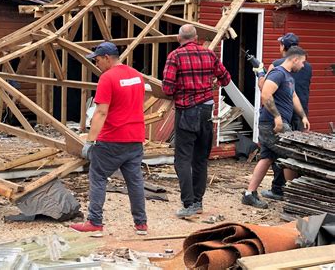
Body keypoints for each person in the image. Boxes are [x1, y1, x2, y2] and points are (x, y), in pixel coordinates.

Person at [70, 42, 148, 236]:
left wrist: (90, 141)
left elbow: (101, 112)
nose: (96, 65)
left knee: (98, 177)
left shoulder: (107, 78)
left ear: (107, 58)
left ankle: (95, 221)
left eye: (97, 60)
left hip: (112, 139)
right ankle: (141, 224)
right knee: (135, 181)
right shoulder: (137, 76)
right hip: (135, 138)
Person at [162, 24, 231, 218]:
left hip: (187, 111)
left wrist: (180, 89)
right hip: (207, 110)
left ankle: (189, 203)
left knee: (182, 159)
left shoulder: (175, 56)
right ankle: (198, 201)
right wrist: (212, 82)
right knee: (200, 158)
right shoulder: (209, 55)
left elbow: (167, 88)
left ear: (179, 38)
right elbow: (226, 78)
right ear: (196, 36)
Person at [242, 46, 310, 209]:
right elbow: (265, 94)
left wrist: (303, 116)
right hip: (273, 123)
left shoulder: (289, 77)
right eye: (302, 62)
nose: (302, 66)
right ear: (295, 59)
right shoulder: (278, 73)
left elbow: (293, 97)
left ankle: (249, 194)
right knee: (291, 155)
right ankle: (294, 198)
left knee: (267, 157)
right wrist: (277, 117)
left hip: (275, 122)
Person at [256, 33, 312, 201]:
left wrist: (260, 72)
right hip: (296, 115)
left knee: (284, 154)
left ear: (284, 47)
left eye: (280, 45)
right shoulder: (307, 67)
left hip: (280, 115)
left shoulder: (279, 67)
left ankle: (281, 190)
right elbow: (295, 94)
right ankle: (285, 191)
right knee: (285, 153)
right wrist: (303, 115)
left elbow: (264, 90)